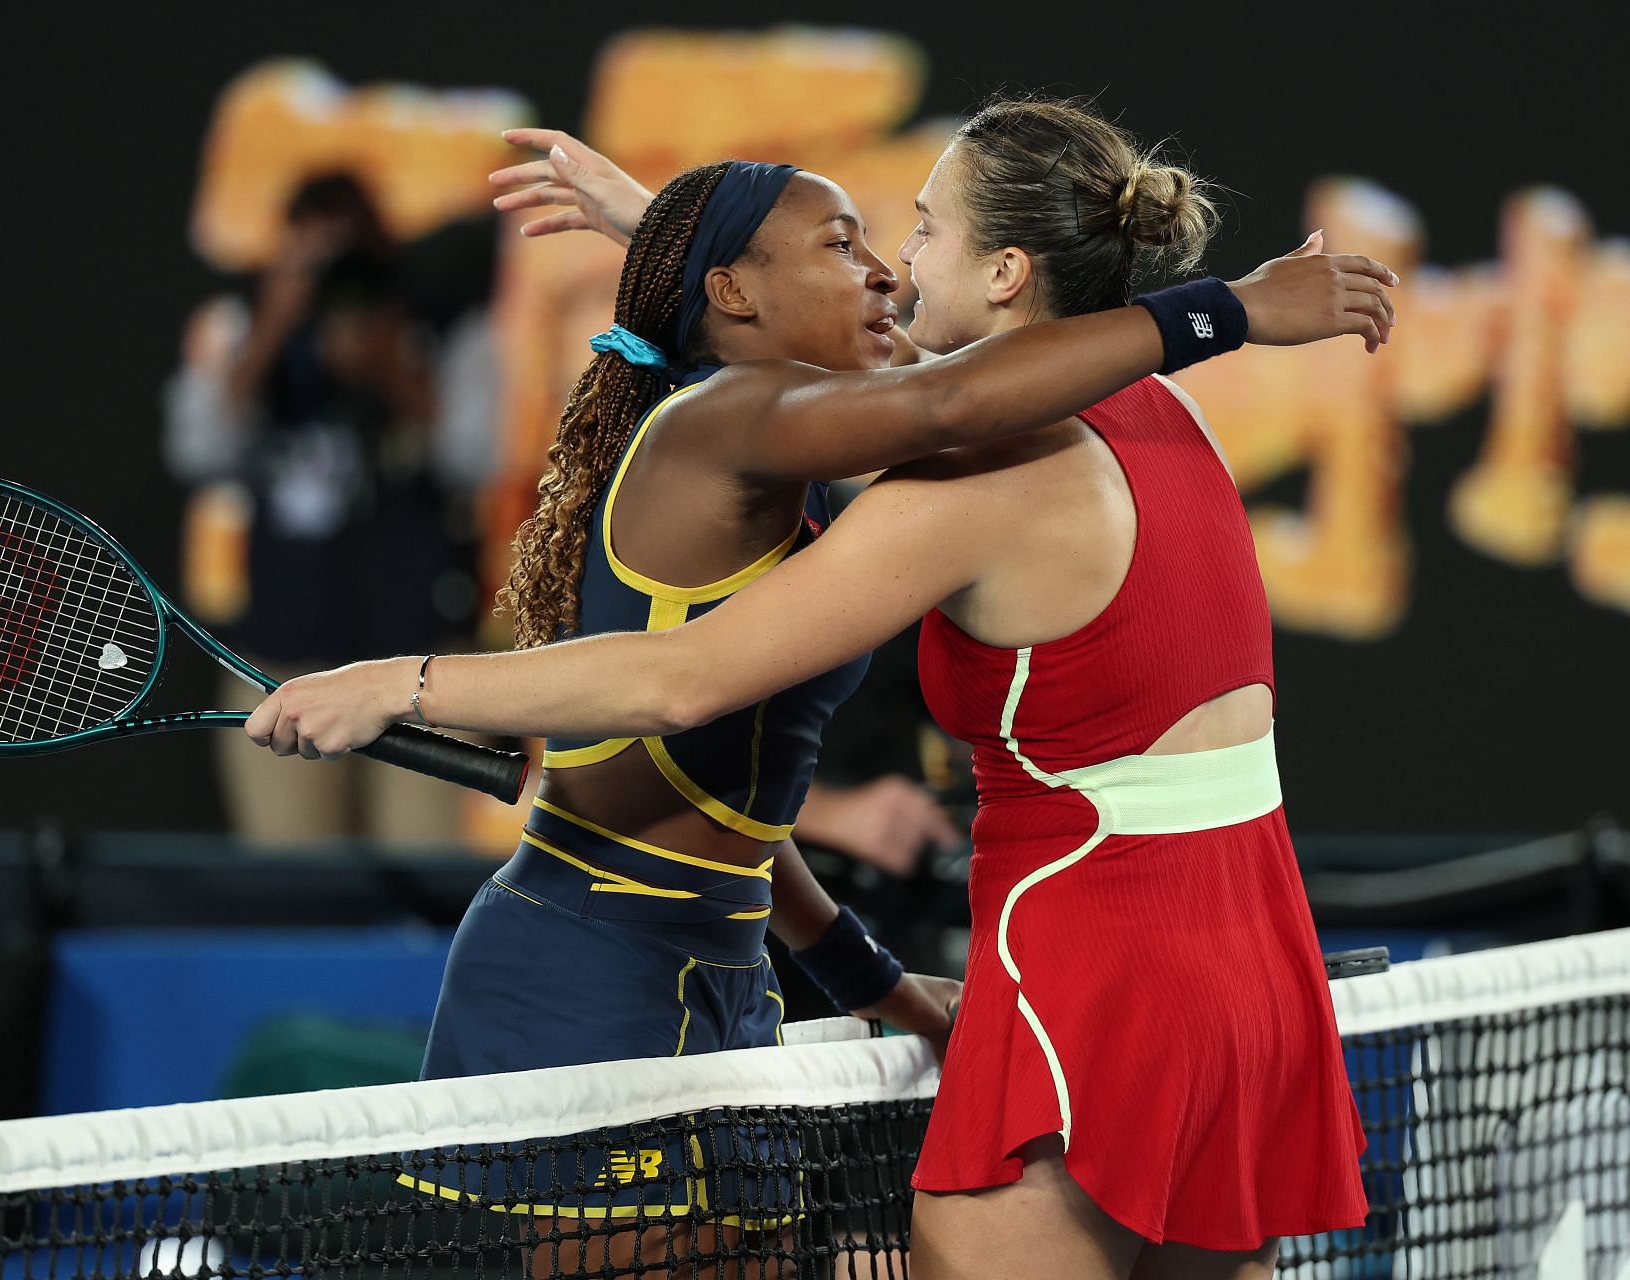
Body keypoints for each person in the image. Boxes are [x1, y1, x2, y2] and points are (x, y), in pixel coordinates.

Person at [248, 97, 1393, 1276]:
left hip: (1079, 979)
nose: (895, 269)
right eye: (855, 246)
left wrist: (400, 680)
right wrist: (678, 247)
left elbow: (905, 406)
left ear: (1005, 269)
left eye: (916, 232)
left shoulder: (968, 465)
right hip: (1246, 963)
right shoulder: (1170, 415)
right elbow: (872, 393)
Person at [162, 172, 476, 848]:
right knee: (294, 877)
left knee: (425, 870)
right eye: (313, 256)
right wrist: (273, 330)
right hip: (279, 651)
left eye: (347, 255)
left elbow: (480, 455)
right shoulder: (244, 324)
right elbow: (198, 452)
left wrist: (393, 368)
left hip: (418, 652)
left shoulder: (432, 322)